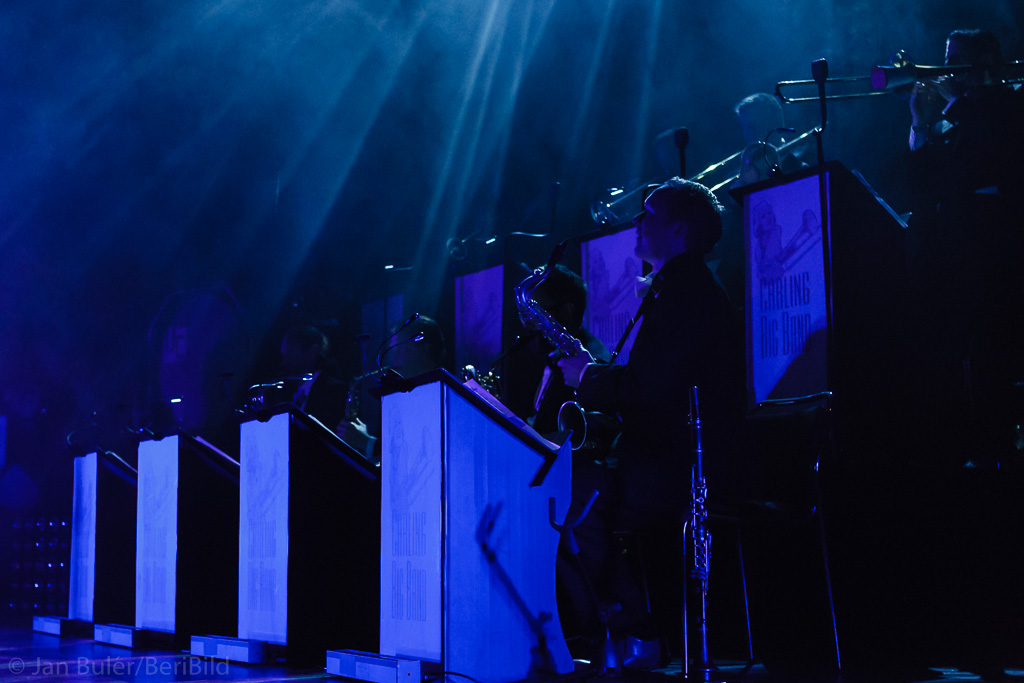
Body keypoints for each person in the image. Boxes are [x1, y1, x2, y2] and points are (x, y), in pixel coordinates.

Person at [555, 178, 746, 659]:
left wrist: (589, 377)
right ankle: (628, 632)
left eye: (648, 214)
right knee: (573, 492)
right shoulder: (679, 289)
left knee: (572, 503)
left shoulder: (689, 295)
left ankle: (635, 632)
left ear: (679, 229)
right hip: (666, 455)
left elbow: (650, 390)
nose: (637, 222)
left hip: (681, 466)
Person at [902, 29, 1024, 465]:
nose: (946, 67)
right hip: (958, 253)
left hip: (1000, 250)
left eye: (956, 59)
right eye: (946, 57)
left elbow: (997, 152)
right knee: (963, 355)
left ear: (982, 64)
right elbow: (922, 187)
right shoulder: (956, 117)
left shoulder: (1009, 103)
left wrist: (955, 105)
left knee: (995, 354)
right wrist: (919, 123)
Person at [500, 264, 611, 439]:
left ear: (566, 311)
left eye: (539, 315)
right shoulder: (543, 355)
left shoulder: (595, 361)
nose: (527, 324)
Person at [336, 315, 446, 462]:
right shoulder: (401, 392)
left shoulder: (442, 394)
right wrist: (363, 437)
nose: (394, 356)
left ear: (425, 350)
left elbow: (423, 453)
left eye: (399, 348)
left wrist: (366, 442)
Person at [279, 325, 347, 429]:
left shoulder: (334, 390)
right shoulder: (287, 392)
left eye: (290, 353)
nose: (284, 362)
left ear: (312, 352)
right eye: (284, 355)